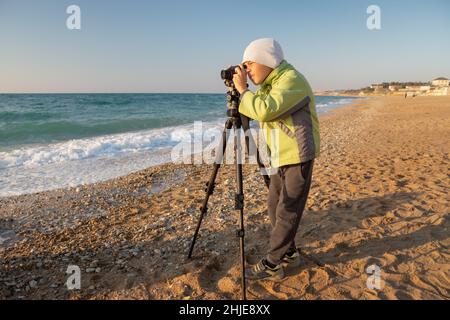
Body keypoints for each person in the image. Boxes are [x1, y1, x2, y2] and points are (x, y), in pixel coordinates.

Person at [232, 38, 320, 281]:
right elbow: (259, 108)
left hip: (298, 156)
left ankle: (272, 264)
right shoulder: (271, 85)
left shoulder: (292, 80)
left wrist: (243, 91)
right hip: (281, 157)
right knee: (274, 206)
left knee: (288, 209)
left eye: (249, 65)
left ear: (266, 61)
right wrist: (243, 97)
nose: (246, 71)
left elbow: (265, 110)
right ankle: (289, 253)